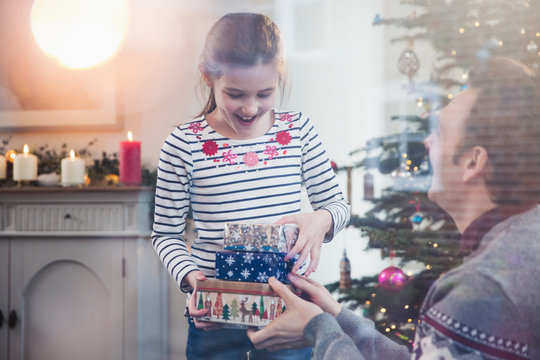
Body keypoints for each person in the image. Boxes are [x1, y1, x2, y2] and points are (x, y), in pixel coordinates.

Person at [247, 57, 540, 360]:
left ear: (472, 162)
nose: (427, 142)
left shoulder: (484, 290)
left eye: (440, 133)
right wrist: (334, 316)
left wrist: (318, 328)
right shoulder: (524, 238)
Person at [151, 12, 350, 360]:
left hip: (290, 314)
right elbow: (165, 234)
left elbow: (339, 206)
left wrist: (321, 220)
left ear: (280, 77)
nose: (250, 107)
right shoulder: (183, 144)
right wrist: (192, 278)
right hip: (216, 318)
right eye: (235, 93)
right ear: (207, 75)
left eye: (265, 93)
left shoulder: (298, 131)